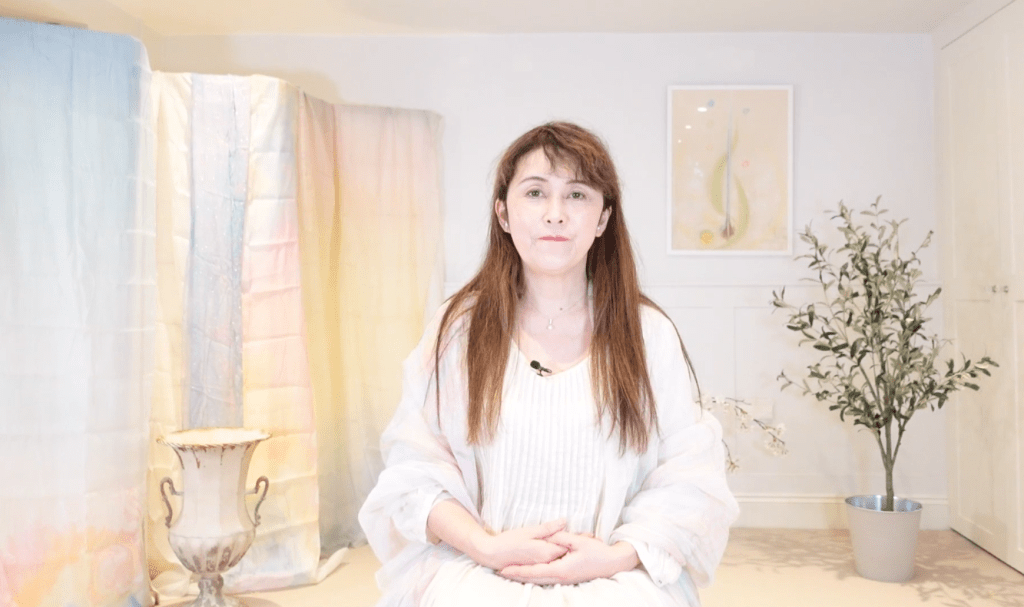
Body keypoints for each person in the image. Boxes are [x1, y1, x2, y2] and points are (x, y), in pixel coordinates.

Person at [358, 122, 739, 607]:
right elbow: (415, 468)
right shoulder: (459, 328)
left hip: (613, 576)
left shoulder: (648, 334)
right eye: (535, 192)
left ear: (602, 218)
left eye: (577, 195)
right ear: (503, 213)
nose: (555, 213)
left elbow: (688, 477)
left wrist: (614, 557)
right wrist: (486, 547)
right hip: (476, 570)